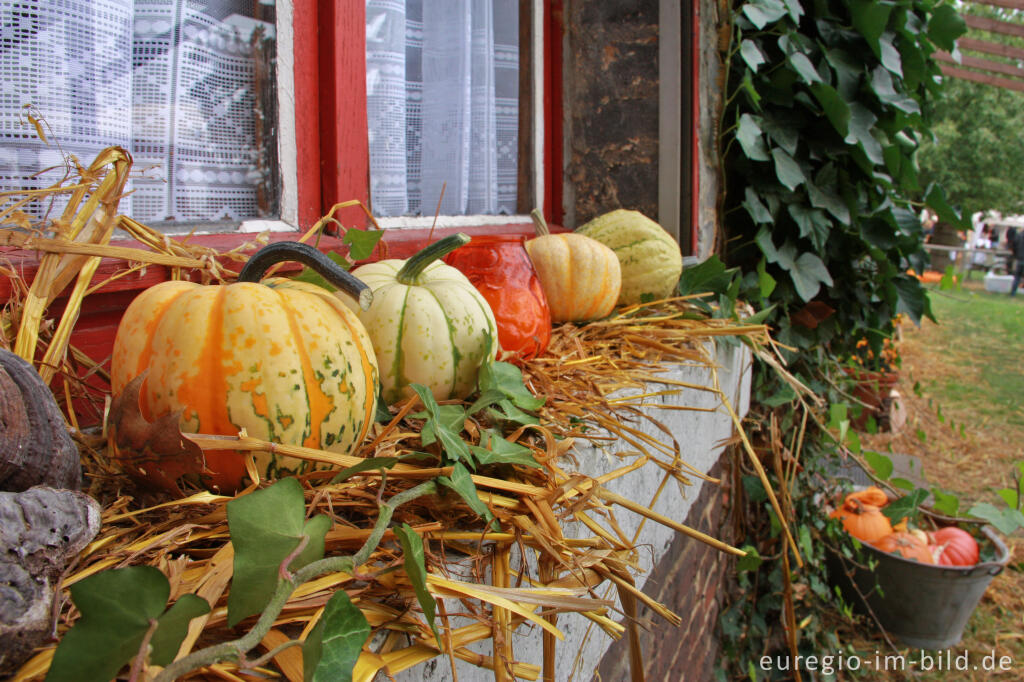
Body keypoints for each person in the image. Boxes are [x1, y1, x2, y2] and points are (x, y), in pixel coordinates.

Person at [1010, 227, 1024, 296]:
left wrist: (1016, 255)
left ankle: (1013, 293)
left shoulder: (1019, 235)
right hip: (1020, 258)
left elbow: (1013, 246)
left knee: (1017, 277)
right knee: (1017, 276)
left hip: (1020, 259)